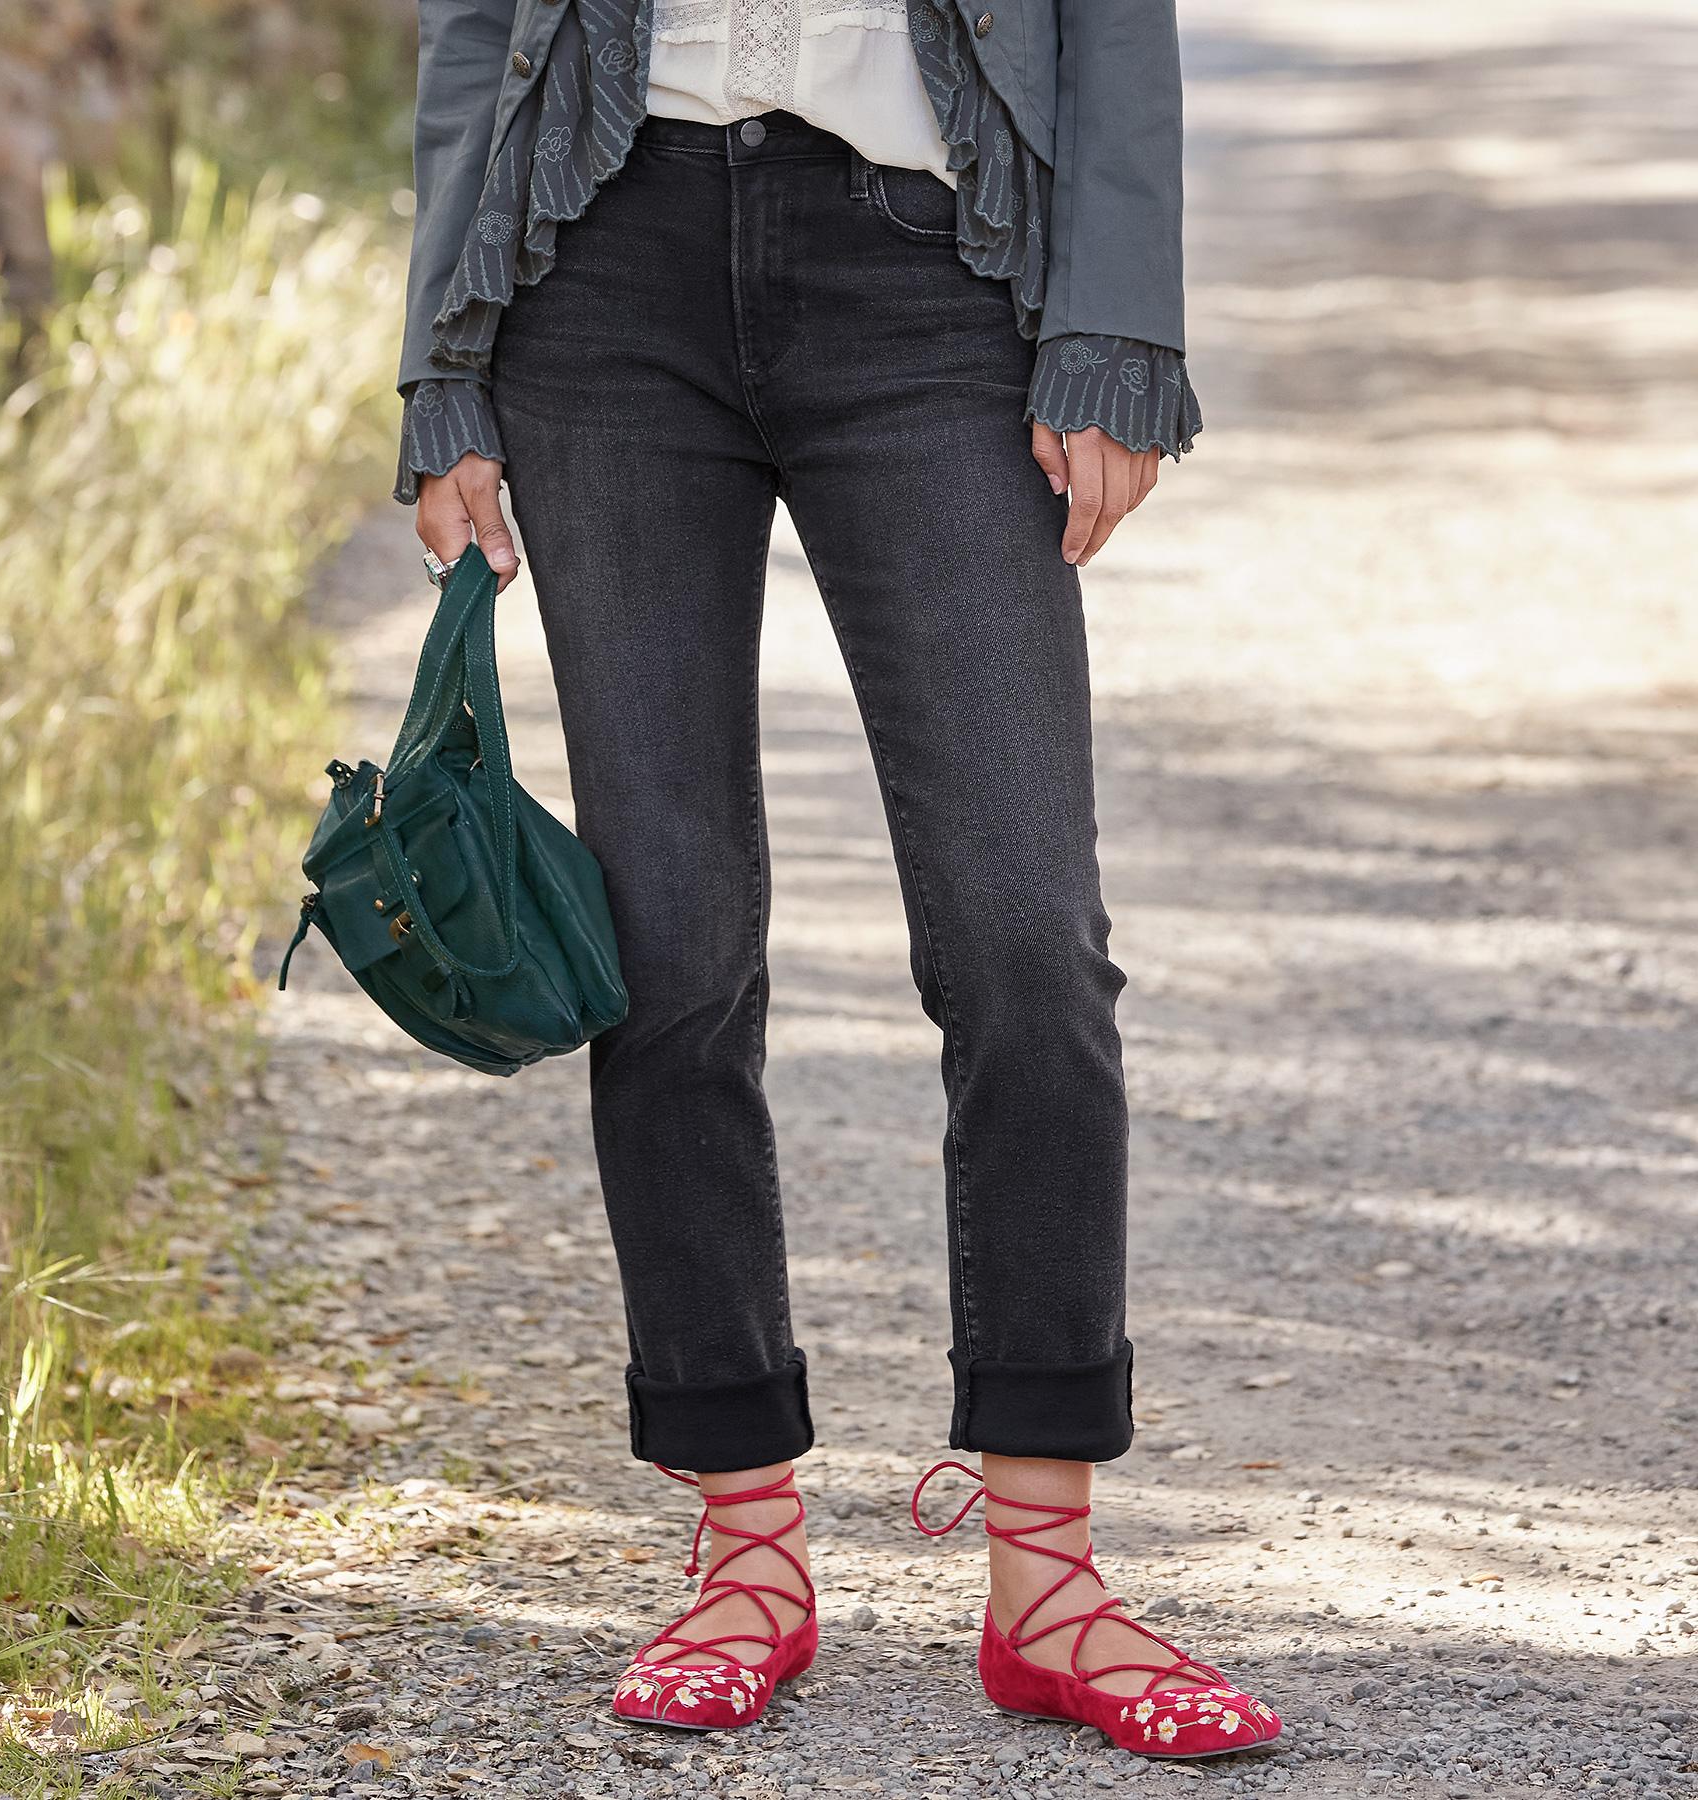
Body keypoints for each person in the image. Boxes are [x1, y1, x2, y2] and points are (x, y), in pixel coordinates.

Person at [397, 0, 1278, 1761]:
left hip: (933, 266)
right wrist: (444, 358)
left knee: (1026, 934)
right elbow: (476, 24)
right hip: (601, 266)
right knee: (668, 945)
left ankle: (1047, 1586)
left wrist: (1114, 320)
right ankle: (743, 1554)